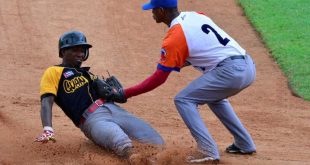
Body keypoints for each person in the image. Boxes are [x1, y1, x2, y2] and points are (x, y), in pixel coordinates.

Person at [121, 0, 257, 163]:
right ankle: (244, 143)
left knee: (184, 99)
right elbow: (202, 47)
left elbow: (158, 79)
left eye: (153, 9)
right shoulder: (195, 15)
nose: (152, 13)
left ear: (162, 10)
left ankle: (207, 151)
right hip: (248, 66)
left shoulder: (175, 36)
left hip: (230, 71)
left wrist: (125, 93)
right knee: (214, 97)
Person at [34, 30, 164, 158]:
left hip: (116, 111)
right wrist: (48, 128)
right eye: (75, 50)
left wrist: (116, 94)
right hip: (92, 119)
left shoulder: (89, 74)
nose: (80, 54)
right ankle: (139, 161)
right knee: (122, 143)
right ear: (63, 51)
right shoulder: (53, 72)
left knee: (157, 142)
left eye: (82, 50)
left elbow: (113, 94)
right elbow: (46, 101)